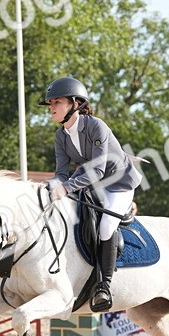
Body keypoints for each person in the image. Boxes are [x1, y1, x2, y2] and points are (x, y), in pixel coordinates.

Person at [43, 77, 142, 312]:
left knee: (107, 225)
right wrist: (47, 186)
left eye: (57, 101)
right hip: (94, 185)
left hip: (120, 183)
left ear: (75, 103)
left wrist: (66, 188)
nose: (52, 107)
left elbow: (97, 170)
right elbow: (61, 173)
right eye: (50, 103)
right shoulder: (60, 136)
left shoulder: (96, 126)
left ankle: (103, 286)